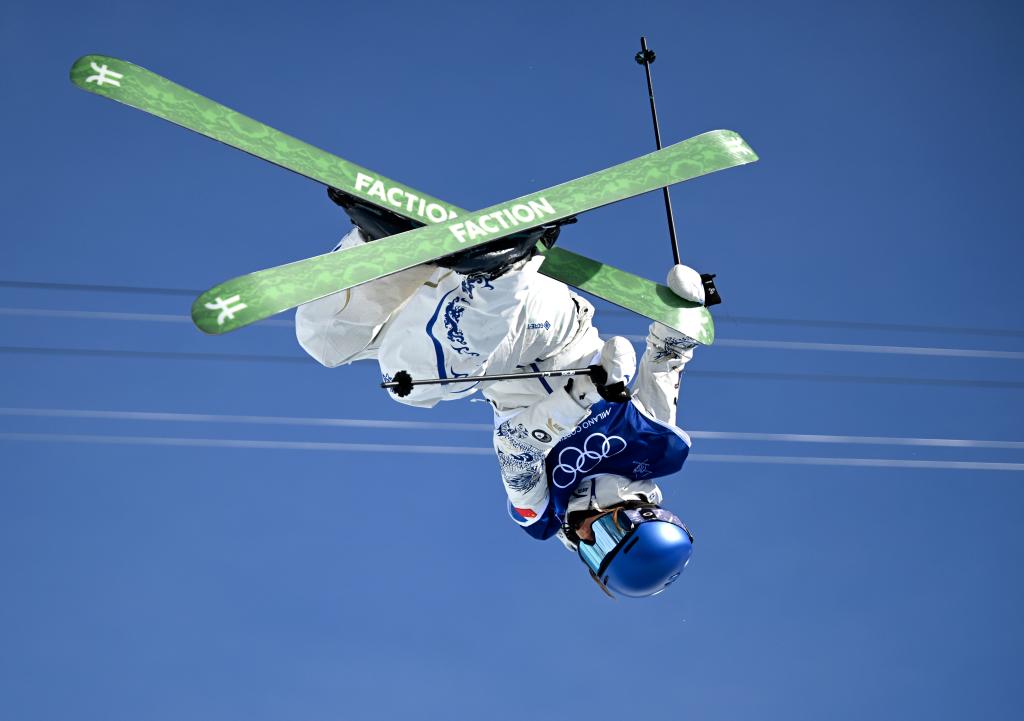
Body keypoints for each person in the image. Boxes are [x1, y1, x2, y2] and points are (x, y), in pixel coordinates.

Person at [295, 192, 713, 597]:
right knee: (417, 380)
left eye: (592, 552)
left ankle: (386, 246)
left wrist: (583, 395)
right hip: (550, 327)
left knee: (326, 342)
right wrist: (687, 311)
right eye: (607, 534)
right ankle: (504, 267)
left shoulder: (540, 512)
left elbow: (516, 446)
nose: (585, 535)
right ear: (641, 513)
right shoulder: (655, 448)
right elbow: (668, 357)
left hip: (475, 342)